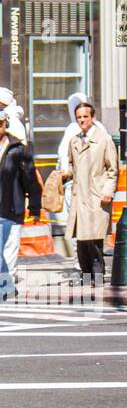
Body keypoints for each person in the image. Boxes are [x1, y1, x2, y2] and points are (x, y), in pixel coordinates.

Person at [63, 103, 117, 284]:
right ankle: (86, 277)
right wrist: (62, 176)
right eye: (79, 117)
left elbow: (112, 169)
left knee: (94, 240)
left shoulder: (104, 139)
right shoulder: (74, 140)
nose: (82, 120)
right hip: (79, 195)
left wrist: (108, 190)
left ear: (92, 117)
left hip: (96, 195)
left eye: (85, 117)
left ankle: (97, 276)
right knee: (81, 241)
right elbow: (71, 165)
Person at [0, 114, 41, 298]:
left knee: (9, 251)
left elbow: (30, 179)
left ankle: (5, 287)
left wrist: (34, 207)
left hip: (12, 207)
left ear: (5, 125)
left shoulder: (18, 150)